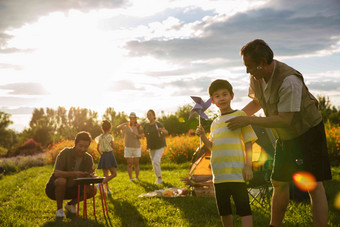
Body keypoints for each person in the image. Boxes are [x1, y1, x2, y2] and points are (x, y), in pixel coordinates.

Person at [226, 39, 332, 227]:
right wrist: (233, 118)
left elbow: (285, 119)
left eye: (249, 66)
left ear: (262, 63)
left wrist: (247, 120)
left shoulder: (289, 80)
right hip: (285, 136)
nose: (247, 71)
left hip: (307, 132)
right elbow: (257, 103)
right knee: (278, 181)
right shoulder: (256, 78)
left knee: (313, 185)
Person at [196, 79, 258, 227]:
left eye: (225, 94)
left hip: (237, 172)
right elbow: (212, 147)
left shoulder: (240, 115)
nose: (221, 98)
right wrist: (203, 136)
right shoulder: (214, 123)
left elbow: (249, 142)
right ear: (212, 101)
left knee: (244, 208)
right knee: (224, 210)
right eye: (217, 96)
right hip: (219, 175)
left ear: (232, 95)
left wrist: (248, 166)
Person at [45, 131, 97, 218]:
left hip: (74, 189)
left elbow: (86, 180)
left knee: (93, 189)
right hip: (54, 190)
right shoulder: (65, 153)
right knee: (61, 180)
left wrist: (89, 176)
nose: (83, 149)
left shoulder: (88, 158)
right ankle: (59, 210)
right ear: (75, 144)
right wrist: (74, 174)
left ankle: (71, 204)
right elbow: (57, 173)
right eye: (80, 146)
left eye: (86, 147)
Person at [143, 109, 168, 184]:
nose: (148, 116)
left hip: (160, 146)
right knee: (154, 163)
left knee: (155, 161)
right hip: (151, 147)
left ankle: (160, 179)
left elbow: (166, 132)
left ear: (154, 116)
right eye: (147, 115)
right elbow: (143, 134)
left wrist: (161, 130)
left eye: (150, 114)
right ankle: (158, 178)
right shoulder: (146, 126)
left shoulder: (158, 124)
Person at [117, 112, 143, 181]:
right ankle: (130, 178)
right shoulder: (126, 127)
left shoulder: (139, 127)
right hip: (128, 147)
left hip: (136, 147)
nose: (132, 120)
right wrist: (125, 123)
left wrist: (136, 135)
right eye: (130, 118)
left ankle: (137, 177)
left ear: (135, 119)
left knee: (136, 163)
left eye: (133, 118)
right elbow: (117, 127)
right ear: (129, 119)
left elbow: (142, 135)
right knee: (129, 163)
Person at [96, 120, 118, 194]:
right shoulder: (110, 136)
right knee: (114, 174)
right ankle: (101, 183)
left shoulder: (100, 137)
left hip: (103, 156)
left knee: (105, 174)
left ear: (102, 128)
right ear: (110, 128)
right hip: (109, 155)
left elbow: (97, 148)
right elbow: (113, 146)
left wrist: (101, 154)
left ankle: (107, 190)